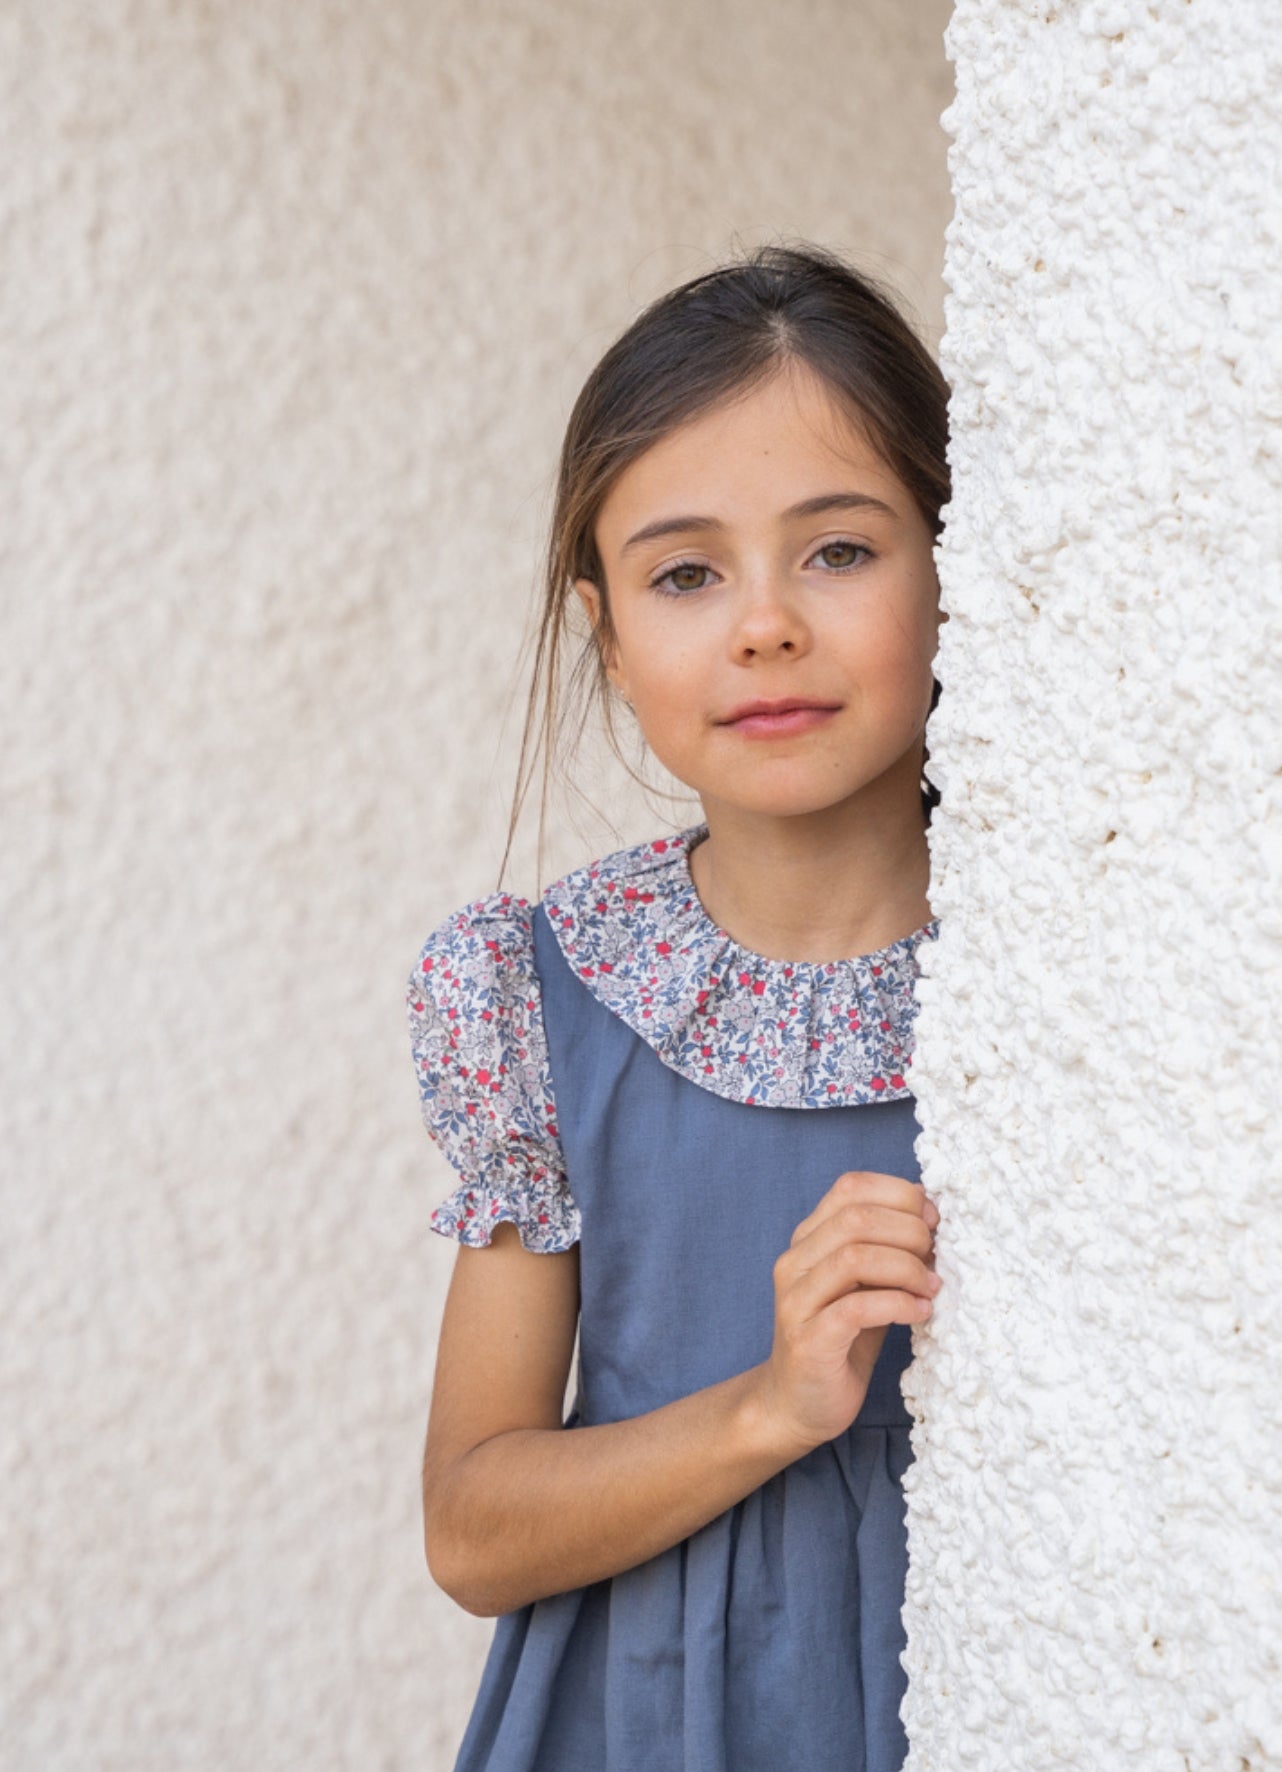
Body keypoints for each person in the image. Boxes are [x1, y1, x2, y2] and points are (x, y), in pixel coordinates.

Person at [406, 242, 949, 1772]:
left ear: (958, 561)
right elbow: (470, 1525)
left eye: (838, 550)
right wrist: (773, 1408)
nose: (763, 625)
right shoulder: (537, 992)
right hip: (640, 1717)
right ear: (608, 635)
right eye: (686, 573)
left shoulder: (1087, 979)